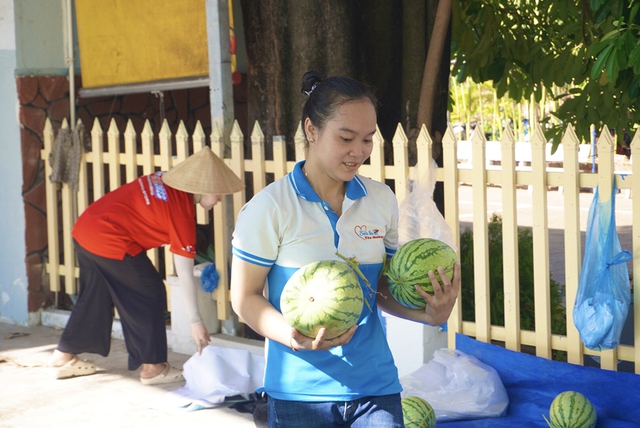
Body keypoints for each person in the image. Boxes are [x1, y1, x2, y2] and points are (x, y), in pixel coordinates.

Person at [230, 71, 460, 427]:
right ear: (311, 130)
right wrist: (294, 338)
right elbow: (244, 298)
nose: (359, 152)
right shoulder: (269, 208)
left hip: (376, 386)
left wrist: (430, 315)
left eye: (368, 139)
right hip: (299, 395)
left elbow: (379, 288)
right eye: (346, 137)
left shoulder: (380, 200)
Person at [50, 147, 244, 385]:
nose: (220, 199)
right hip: (109, 238)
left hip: (86, 227)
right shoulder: (181, 214)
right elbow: (185, 273)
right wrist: (195, 322)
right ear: (201, 188)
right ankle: (153, 368)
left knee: (95, 294)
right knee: (148, 291)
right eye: (218, 193)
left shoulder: (162, 178)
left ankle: (64, 355)